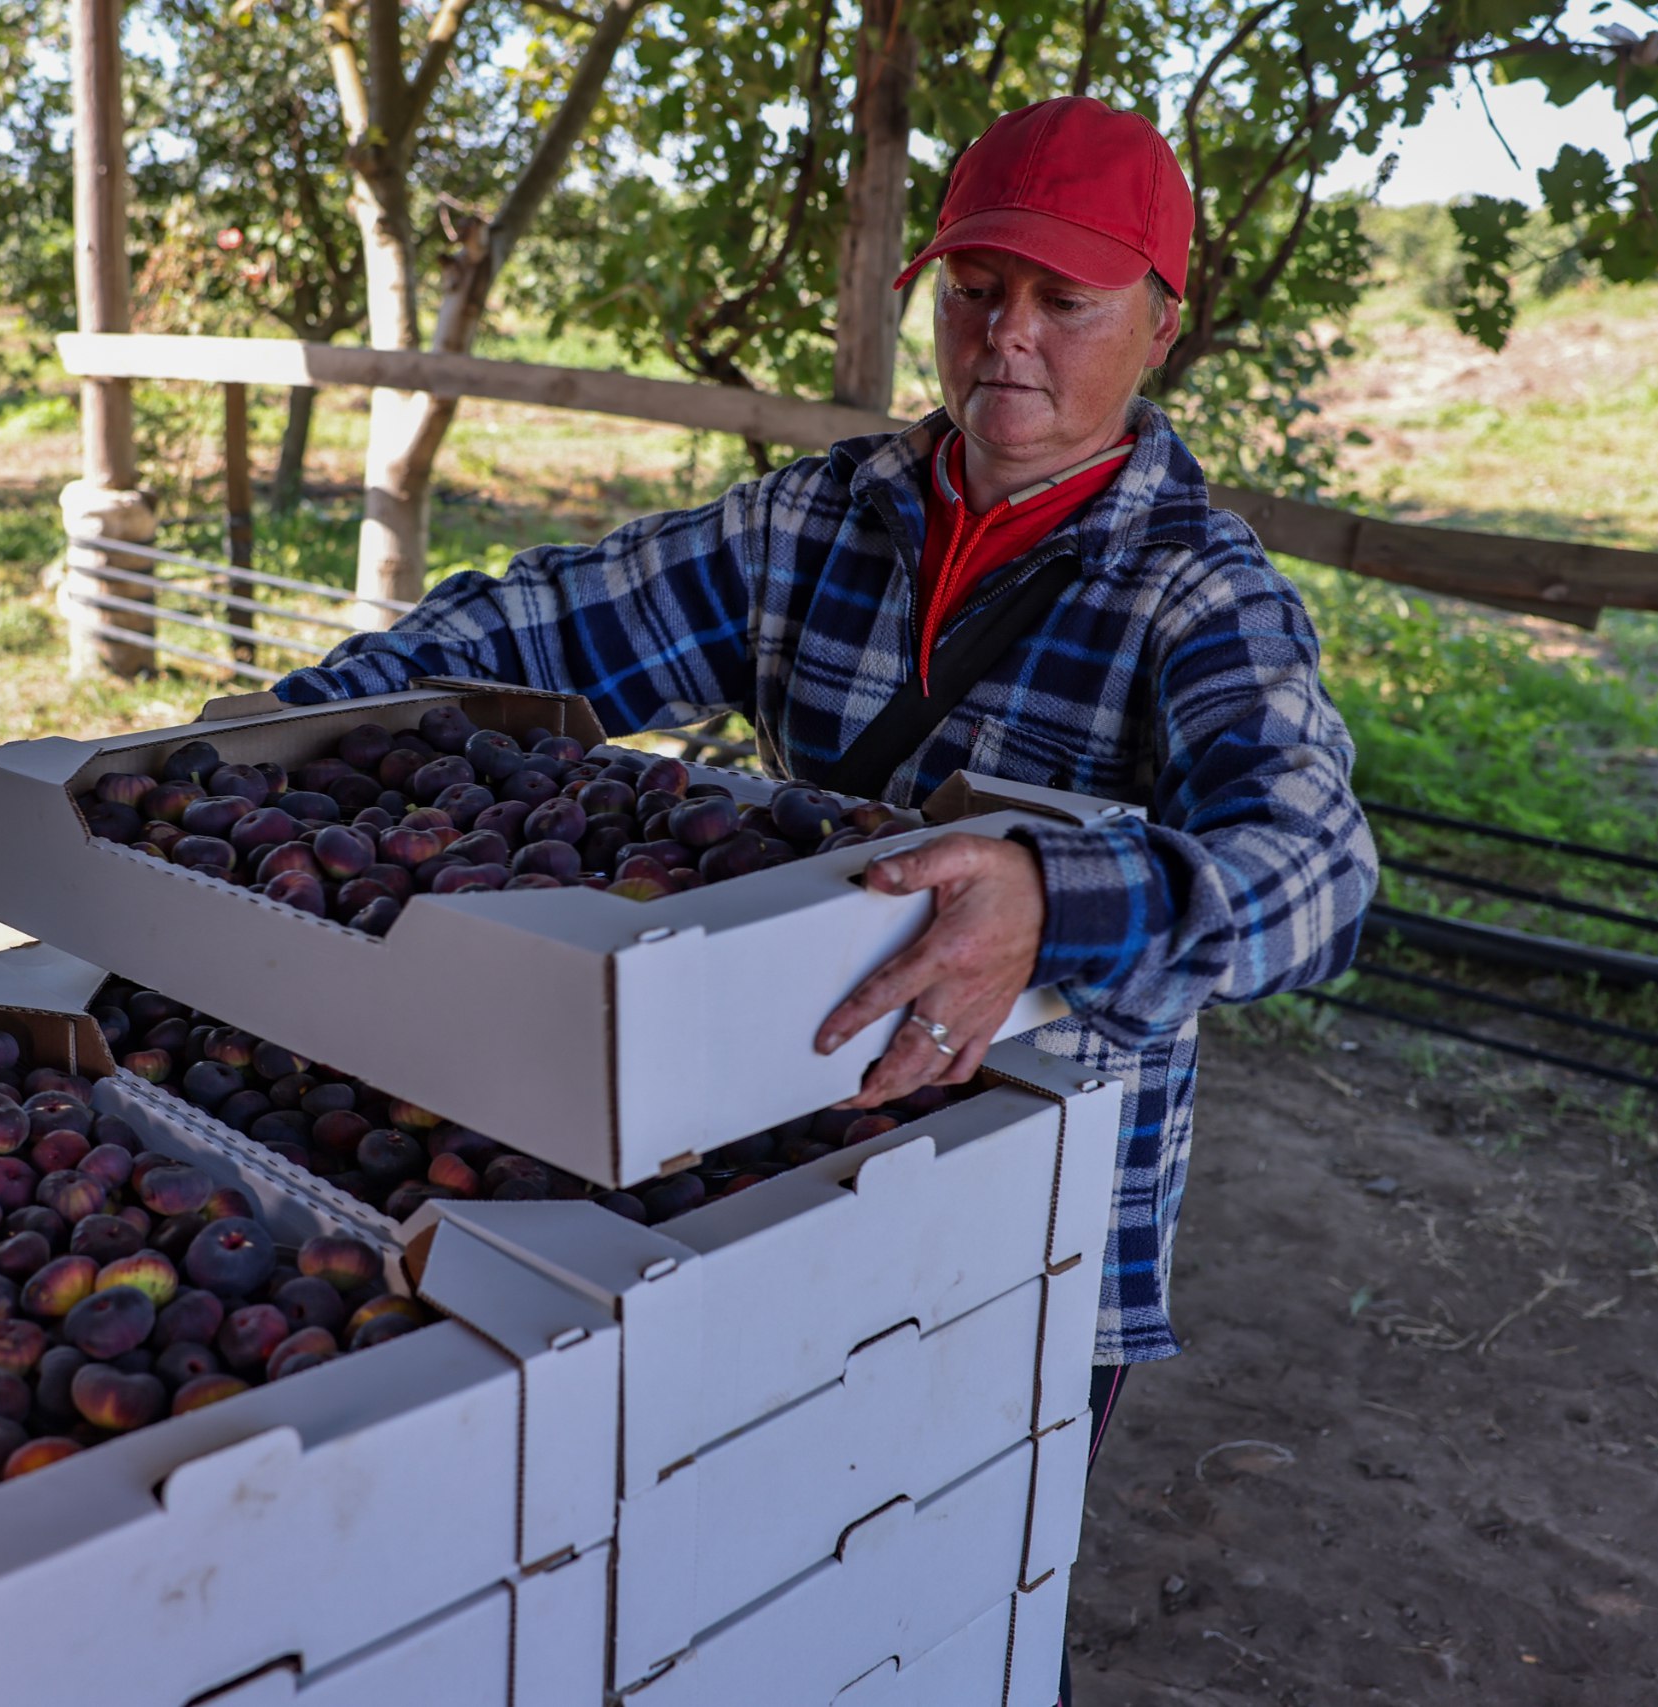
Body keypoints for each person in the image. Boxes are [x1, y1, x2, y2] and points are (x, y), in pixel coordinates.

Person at [274, 95, 1379, 1701]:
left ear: (1161, 319)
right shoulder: (817, 520)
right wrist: (280, 723)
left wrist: (1052, 902)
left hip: (1026, 1225)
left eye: (1063, 302)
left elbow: (1321, 876)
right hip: (765, 1161)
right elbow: (535, 629)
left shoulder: (1200, 596)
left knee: (949, 1600)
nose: (1007, 338)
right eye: (976, 288)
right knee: (739, 1589)